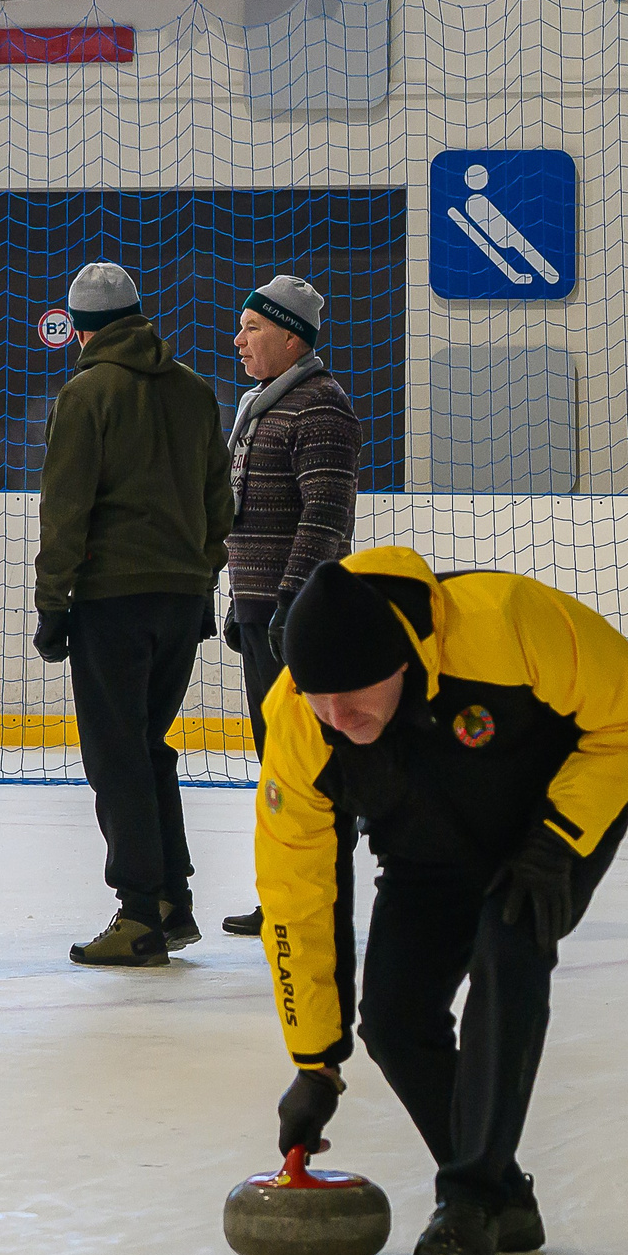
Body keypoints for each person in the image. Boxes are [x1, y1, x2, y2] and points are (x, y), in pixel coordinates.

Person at [256, 551, 628, 1255]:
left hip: (549, 828)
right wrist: (315, 1063)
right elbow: (296, 893)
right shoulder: (299, 723)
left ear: (398, 660)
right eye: (319, 699)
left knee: (509, 948)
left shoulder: (504, 623)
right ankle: (504, 1196)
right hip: (428, 851)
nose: (337, 717)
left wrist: (556, 841)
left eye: (352, 695)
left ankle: (470, 1200)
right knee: (392, 1016)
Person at [33, 262, 234, 967]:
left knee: (116, 754)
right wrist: (199, 576)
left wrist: (53, 602)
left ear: (81, 329)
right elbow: (220, 502)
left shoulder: (85, 393)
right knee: (148, 745)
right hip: (181, 600)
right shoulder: (195, 390)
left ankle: (139, 911)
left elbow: (66, 509)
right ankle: (173, 901)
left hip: (111, 598)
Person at [219, 274, 359, 939]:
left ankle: (323, 895)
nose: (238, 338)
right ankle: (284, 891)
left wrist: (288, 604)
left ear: (290, 335)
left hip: (298, 620)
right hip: (263, 611)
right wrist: (240, 598)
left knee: (308, 761)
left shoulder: (321, 405)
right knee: (277, 762)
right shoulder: (263, 405)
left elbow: (325, 516)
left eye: (251, 327)